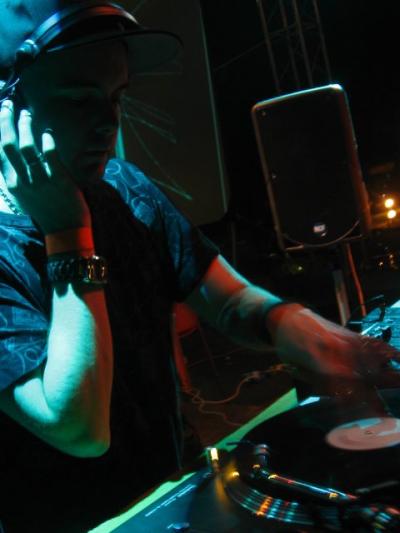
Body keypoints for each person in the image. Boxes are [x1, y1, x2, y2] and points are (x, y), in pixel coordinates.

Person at [0, 1, 398, 532]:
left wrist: (293, 323)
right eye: (78, 100)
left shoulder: (125, 187)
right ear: (8, 112)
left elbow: (228, 300)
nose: (108, 123)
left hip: (171, 495)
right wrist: (69, 235)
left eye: (116, 97)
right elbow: (77, 428)